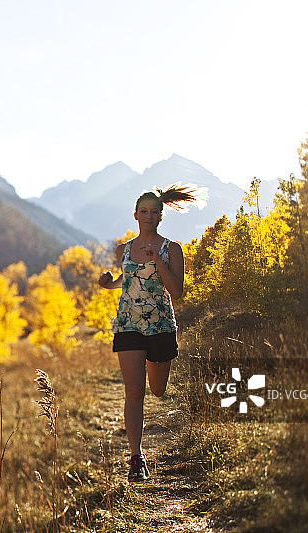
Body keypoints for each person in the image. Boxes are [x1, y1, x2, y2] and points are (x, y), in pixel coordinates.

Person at [97, 184, 199, 482]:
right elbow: (128, 282)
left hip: (160, 327)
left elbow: (177, 292)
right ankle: (136, 458)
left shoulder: (172, 249)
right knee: (134, 392)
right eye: (144, 211)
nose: (148, 216)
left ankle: (139, 453)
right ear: (135, 215)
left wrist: (158, 261)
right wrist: (109, 284)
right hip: (128, 324)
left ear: (161, 216)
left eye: (154, 212)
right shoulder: (124, 250)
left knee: (157, 389)